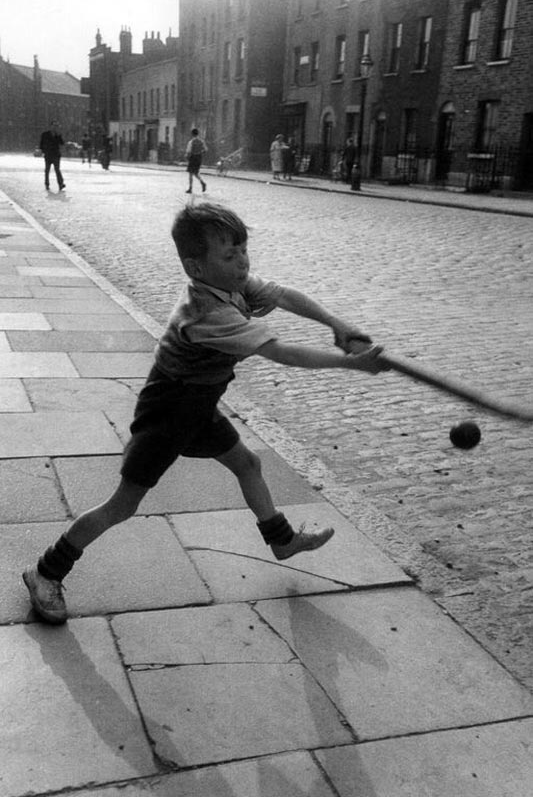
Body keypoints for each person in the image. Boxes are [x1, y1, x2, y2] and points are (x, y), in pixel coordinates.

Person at [22, 202, 387, 625]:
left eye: (243, 250)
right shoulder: (209, 312)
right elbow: (280, 352)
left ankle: (282, 540)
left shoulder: (231, 285)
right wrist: (350, 364)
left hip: (199, 405)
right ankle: (45, 572)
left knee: (248, 464)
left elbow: (283, 294)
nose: (242, 262)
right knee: (122, 506)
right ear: (196, 267)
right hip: (169, 412)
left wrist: (335, 323)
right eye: (229, 256)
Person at [39, 120, 65, 191]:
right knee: (47, 170)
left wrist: (59, 135)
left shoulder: (57, 135)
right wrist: (43, 151)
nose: (55, 127)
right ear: (50, 126)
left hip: (56, 155)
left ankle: (60, 183)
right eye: (54, 125)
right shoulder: (45, 134)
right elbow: (41, 143)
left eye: (56, 126)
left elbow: (62, 143)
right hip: (48, 154)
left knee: (57, 170)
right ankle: (47, 183)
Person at [185, 128, 207, 193]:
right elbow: (205, 150)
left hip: (193, 158)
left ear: (192, 134)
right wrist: (200, 152)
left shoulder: (191, 142)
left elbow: (188, 151)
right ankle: (202, 182)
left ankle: (190, 188)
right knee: (196, 172)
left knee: (191, 174)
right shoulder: (201, 141)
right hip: (199, 158)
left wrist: (187, 156)